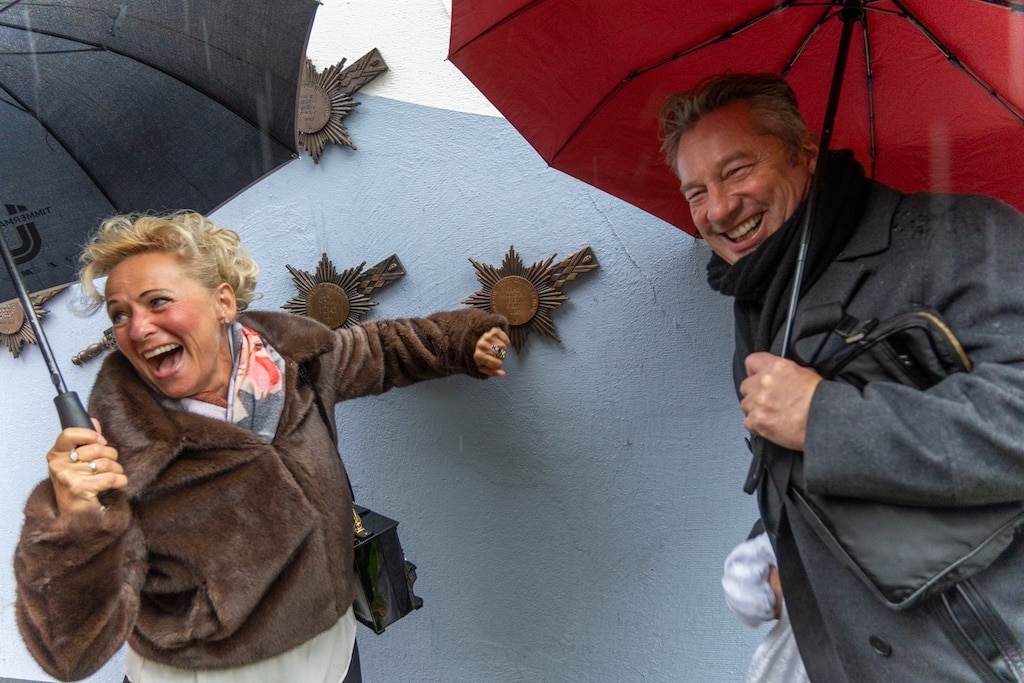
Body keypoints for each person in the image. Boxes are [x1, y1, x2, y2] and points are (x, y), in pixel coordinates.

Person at [13, 211, 510, 683]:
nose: (137, 328)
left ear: (223, 302)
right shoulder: (117, 456)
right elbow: (69, 650)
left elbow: (382, 349)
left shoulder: (298, 361)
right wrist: (72, 523)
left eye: (158, 301)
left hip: (333, 655)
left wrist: (462, 342)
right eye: (119, 314)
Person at [659, 73, 1024, 681]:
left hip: (982, 655)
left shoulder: (964, 236)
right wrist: (772, 544)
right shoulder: (761, 301)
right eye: (696, 191)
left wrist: (824, 418)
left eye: (737, 170)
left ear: (805, 154)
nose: (718, 209)